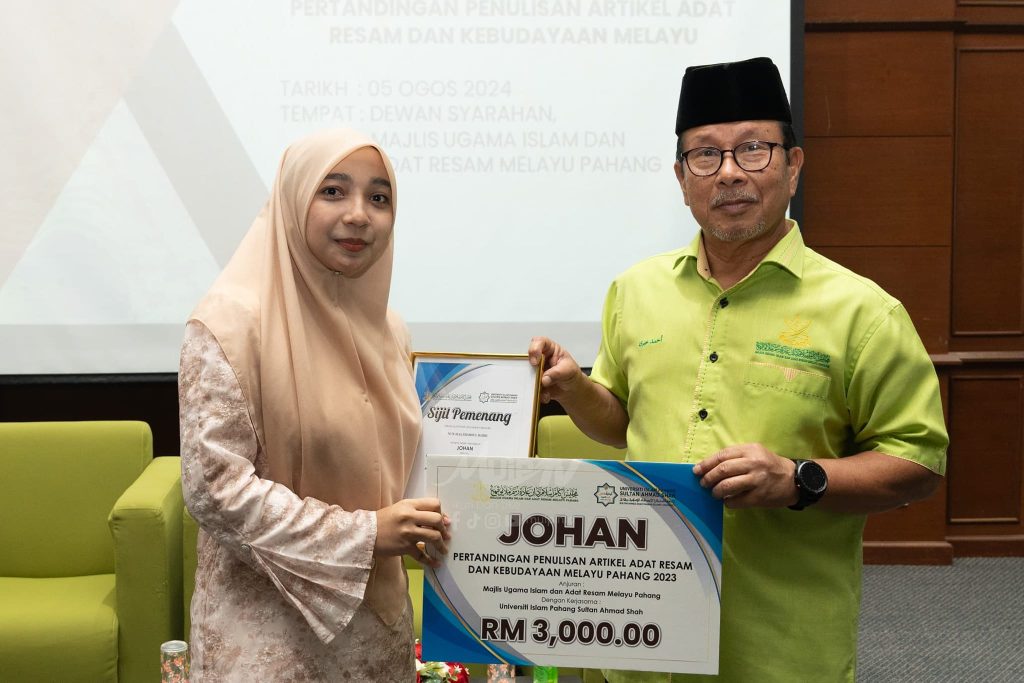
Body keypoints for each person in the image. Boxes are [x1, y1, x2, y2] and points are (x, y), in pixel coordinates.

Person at [528, 57, 948, 683]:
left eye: (753, 149)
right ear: (681, 178)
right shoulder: (635, 289)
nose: (728, 173)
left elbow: (919, 462)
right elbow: (620, 424)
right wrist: (576, 389)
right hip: (641, 635)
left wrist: (798, 479)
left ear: (793, 165)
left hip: (778, 647)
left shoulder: (864, 311)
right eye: (705, 155)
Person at [178, 128, 449, 681]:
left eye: (379, 197)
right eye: (333, 191)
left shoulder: (389, 330)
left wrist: (419, 524)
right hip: (270, 639)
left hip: (376, 637)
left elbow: (389, 471)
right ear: (293, 198)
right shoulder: (230, 324)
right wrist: (368, 534)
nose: (359, 215)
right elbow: (215, 490)